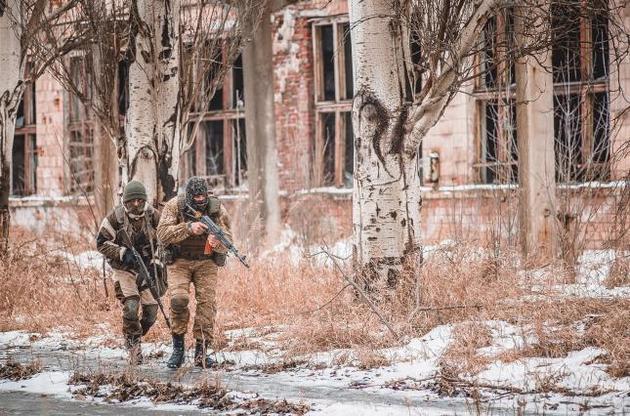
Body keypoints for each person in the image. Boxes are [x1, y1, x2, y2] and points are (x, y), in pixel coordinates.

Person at [157, 177, 233, 369]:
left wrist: (218, 242)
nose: (200, 200)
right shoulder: (175, 205)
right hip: (179, 261)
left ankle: (201, 352)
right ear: (189, 196)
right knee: (178, 299)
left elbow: (228, 239)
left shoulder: (217, 209)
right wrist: (188, 228)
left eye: (203, 196)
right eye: (196, 197)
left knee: (207, 305)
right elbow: (162, 234)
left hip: (206, 262)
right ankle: (178, 349)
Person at [96, 180, 162, 364]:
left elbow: (166, 241)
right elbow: (101, 243)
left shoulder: (153, 216)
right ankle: (134, 346)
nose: (136, 204)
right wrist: (122, 253)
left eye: (140, 200)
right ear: (125, 201)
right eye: (132, 201)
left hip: (147, 268)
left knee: (151, 312)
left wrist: (157, 262)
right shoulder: (115, 218)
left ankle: (134, 335)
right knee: (131, 305)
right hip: (123, 269)